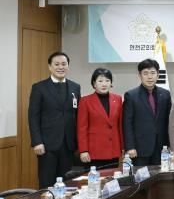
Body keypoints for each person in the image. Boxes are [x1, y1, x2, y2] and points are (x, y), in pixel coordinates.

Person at [28, 51, 81, 188]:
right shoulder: (39, 87)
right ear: (50, 67)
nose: (60, 67)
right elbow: (33, 116)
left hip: (68, 144)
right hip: (47, 145)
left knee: (67, 183)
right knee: (47, 182)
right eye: (56, 64)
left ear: (68, 66)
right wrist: (37, 141)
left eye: (64, 64)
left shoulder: (75, 87)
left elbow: (77, 115)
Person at [122, 59, 172, 166]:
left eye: (153, 73)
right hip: (139, 149)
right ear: (139, 75)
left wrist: (169, 144)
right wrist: (130, 147)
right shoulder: (131, 95)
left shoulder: (165, 94)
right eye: (145, 73)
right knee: (140, 175)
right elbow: (127, 123)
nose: (149, 77)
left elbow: (169, 121)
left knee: (161, 175)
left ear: (158, 75)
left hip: (161, 148)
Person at [77, 68, 123, 168]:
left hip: (113, 150)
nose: (104, 84)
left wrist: (123, 147)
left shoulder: (118, 99)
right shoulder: (85, 101)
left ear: (111, 83)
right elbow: (82, 128)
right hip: (93, 152)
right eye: (100, 81)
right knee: (93, 178)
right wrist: (83, 150)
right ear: (94, 83)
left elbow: (120, 126)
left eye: (107, 81)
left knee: (112, 177)